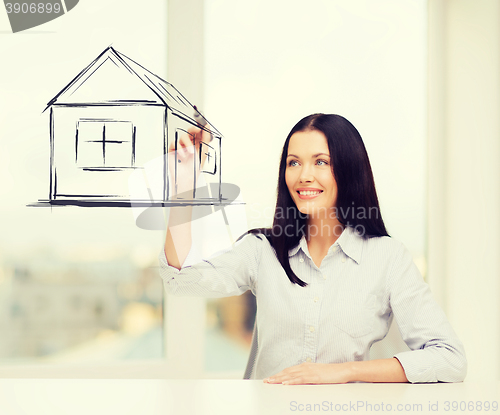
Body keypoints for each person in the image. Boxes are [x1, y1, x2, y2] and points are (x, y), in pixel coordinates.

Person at [160, 113, 467, 384]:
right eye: (294, 162)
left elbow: (449, 358)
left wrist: (343, 371)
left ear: (348, 170)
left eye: (321, 162)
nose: (303, 175)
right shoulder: (262, 250)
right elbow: (179, 279)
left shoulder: (387, 257)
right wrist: (184, 190)